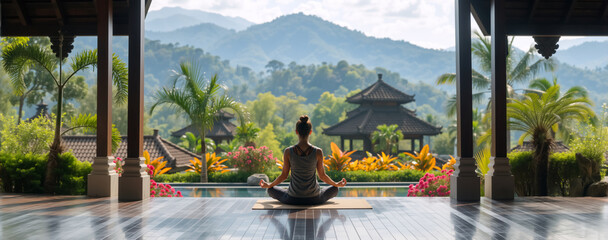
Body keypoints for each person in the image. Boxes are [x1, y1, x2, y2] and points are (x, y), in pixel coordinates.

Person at [259, 115, 347, 205]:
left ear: (296, 132)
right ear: (310, 132)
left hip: (292, 198)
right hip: (314, 198)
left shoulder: (288, 151)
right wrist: (336, 184)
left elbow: (284, 176)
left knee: (270, 190)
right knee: (335, 189)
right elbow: (322, 176)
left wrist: (270, 185)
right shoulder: (318, 152)